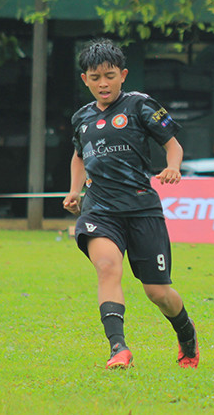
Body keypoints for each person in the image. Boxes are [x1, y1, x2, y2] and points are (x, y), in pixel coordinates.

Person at [63, 39, 199, 370]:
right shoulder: (81, 118)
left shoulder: (140, 105)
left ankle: (187, 336)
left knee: (158, 292)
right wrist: (74, 191)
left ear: (122, 75)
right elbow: (79, 156)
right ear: (85, 80)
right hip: (99, 210)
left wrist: (173, 166)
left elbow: (173, 145)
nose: (103, 83)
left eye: (109, 75)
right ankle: (118, 348)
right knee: (107, 268)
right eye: (95, 77)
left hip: (141, 209)